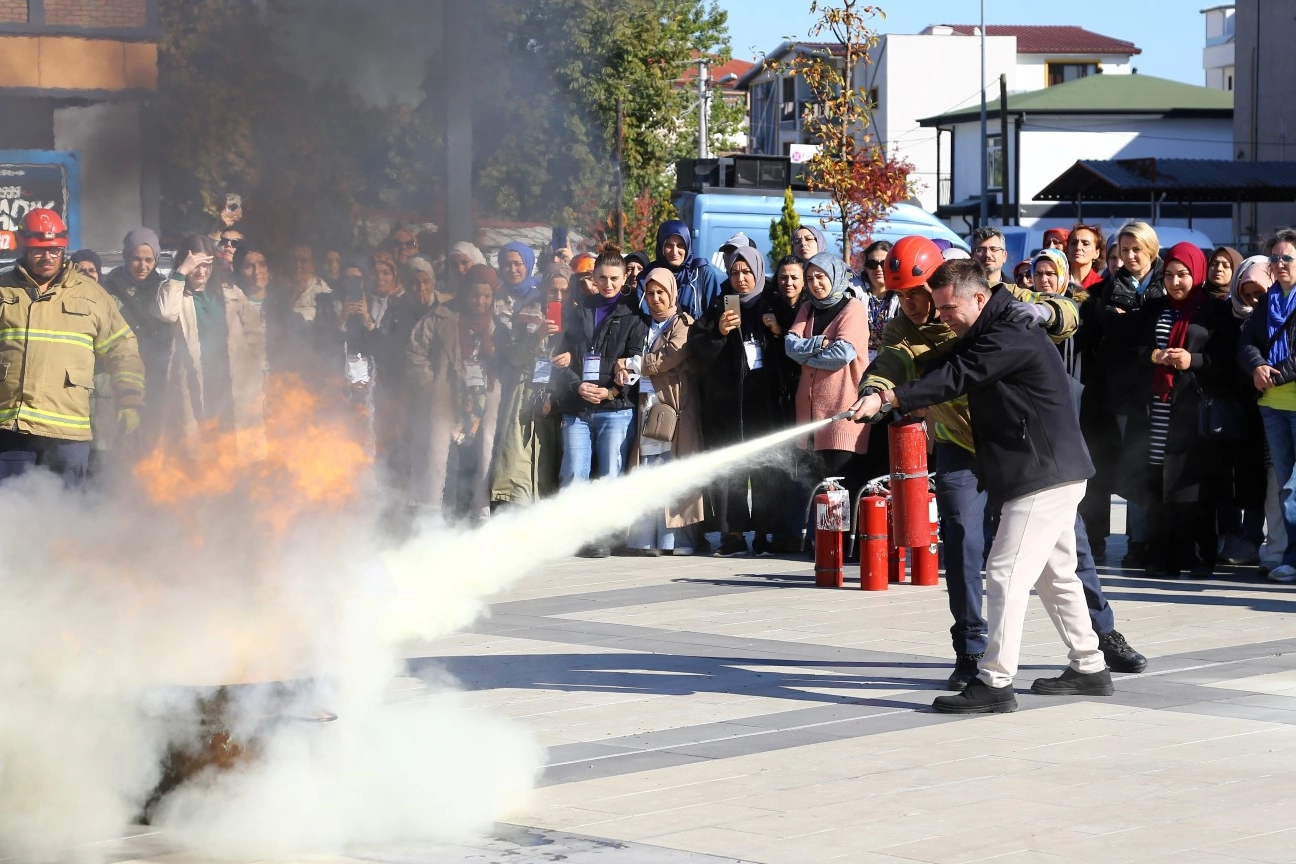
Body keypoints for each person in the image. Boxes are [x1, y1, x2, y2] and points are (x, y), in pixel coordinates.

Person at [860, 238, 1144, 688]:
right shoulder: (979, 325)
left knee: (1005, 572)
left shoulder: (1009, 325)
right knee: (1056, 575)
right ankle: (1089, 666)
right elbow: (930, 358)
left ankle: (993, 681)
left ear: (976, 296)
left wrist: (896, 397)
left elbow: (960, 374)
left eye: (944, 306)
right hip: (1022, 463)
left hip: (1040, 471)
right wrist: (877, 392)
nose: (932, 312)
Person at [1106, 243, 1234, 578]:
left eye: (1183, 275)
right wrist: (1153, 356)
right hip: (1155, 410)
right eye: (1170, 275)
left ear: (1197, 273)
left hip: (1193, 410)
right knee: (1158, 482)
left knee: (1192, 486)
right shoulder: (1154, 308)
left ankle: (1197, 557)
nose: (1175, 282)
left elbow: (1227, 360)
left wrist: (1195, 360)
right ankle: (1161, 557)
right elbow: (1128, 346)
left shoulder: (1213, 310)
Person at [0, 209, 144, 487]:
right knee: (9, 515)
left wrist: (130, 400)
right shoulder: (3, 290)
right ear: (24, 246)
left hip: (67, 435)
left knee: (62, 517)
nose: (47, 257)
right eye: (39, 251)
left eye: (55, 251)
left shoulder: (91, 294)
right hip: (10, 429)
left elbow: (122, 348)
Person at [689, 246, 792, 557]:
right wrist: (720, 331)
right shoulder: (719, 307)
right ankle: (733, 533)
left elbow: (792, 350)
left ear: (759, 272)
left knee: (764, 469)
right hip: (729, 404)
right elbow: (698, 348)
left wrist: (776, 331)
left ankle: (763, 533)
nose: (741, 278)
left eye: (747, 272)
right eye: (735, 272)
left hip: (764, 401)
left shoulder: (773, 304)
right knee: (733, 468)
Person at [550, 251, 648, 557]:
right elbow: (559, 359)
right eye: (601, 277)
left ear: (624, 279)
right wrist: (576, 384)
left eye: (614, 278)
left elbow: (634, 361)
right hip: (577, 407)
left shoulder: (633, 316)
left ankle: (603, 535)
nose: (607, 284)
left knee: (609, 473)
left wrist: (610, 392)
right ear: (592, 278)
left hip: (615, 410)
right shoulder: (577, 312)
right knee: (574, 472)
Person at [152, 234, 266, 461]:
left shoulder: (231, 294)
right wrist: (181, 272)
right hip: (194, 383)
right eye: (196, 266)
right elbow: (165, 312)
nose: (202, 272)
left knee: (235, 448)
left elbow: (256, 339)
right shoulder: (175, 293)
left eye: (207, 265)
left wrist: (263, 379)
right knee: (199, 453)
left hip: (233, 384)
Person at [622, 267, 704, 555]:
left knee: (673, 470)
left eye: (662, 292)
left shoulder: (683, 323)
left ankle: (675, 540)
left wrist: (633, 364)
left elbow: (669, 357)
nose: (656, 298)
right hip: (648, 406)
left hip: (674, 408)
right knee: (648, 471)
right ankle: (645, 538)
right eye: (651, 293)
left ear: (673, 293)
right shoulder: (643, 325)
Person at [1097, 221, 1165, 570]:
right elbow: (1114, 330)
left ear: (1150, 249)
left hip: (1164, 391)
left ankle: (1161, 540)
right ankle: (1137, 541)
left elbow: (1154, 329)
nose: (1129, 256)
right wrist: (1139, 325)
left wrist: (1135, 322)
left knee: (1162, 466)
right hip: (1127, 393)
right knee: (1134, 466)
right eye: (1124, 250)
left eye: (1136, 249)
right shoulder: (1113, 286)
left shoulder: (1165, 282)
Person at [784, 251, 870, 524]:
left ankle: (843, 546)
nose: (815, 283)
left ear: (834, 276)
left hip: (842, 411)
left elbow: (842, 354)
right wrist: (820, 344)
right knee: (820, 483)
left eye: (821, 276)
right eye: (810, 278)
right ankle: (824, 542)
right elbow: (789, 347)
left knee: (843, 482)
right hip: (810, 414)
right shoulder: (807, 308)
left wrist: (807, 351)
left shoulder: (852, 308)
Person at [1238, 228, 1296, 583]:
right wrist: (1257, 365)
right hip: (1272, 405)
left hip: (1287, 395)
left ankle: (1291, 555)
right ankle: (1290, 555)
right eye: (1274, 257)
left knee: (1293, 486)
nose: (1279, 264)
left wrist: (1274, 374)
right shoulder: (1268, 301)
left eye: (1287, 257)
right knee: (1284, 483)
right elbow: (1246, 342)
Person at [490, 264, 569, 509]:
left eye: (564, 291)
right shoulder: (527, 315)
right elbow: (513, 356)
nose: (558, 297)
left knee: (549, 461)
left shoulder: (578, 318)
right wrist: (538, 335)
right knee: (517, 458)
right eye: (553, 291)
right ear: (544, 290)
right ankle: (514, 513)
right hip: (524, 394)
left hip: (557, 399)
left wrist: (570, 358)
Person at [103, 227, 170, 438]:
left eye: (149, 260)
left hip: (156, 375)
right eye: (136, 259)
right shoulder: (107, 290)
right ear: (126, 257)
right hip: (116, 377)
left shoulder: (165, 290)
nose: (143, 266)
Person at [643, 220, 723, 319]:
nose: (674, 251)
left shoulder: (702, 273)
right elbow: (642, 317)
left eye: (680, 245)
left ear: (688, 245)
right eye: (668, 245)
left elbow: (715, 315)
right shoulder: (648, 276)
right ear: (661, 247)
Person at [232, 242, 272, 310]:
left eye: (262, 264)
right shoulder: (232, 305)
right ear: (239, 272)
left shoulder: (284, 303)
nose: (256, 272)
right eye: (248, 266)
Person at [1066, 224, 1106, 290]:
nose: (1078, 247)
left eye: (1085, 244)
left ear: (1097, 253)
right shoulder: (1057, 283)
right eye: (1074, 243)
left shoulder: (1102, 286)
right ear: (1067, 249)